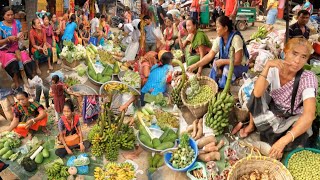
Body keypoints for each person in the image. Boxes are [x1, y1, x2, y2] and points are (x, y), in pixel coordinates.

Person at [239, 38, 318, 159]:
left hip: (291, 116)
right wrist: (267, 67)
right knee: (254, 94)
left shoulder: (307, 78)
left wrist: (284, 141)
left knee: (304, 127)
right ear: (285, 52)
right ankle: (251, 126)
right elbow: (258, 93)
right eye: (294, 53)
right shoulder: (274, 68)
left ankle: (279, 140)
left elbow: (309, 115)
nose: (297, 61)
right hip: (275, 109)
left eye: (303, 57)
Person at [188, 16, 249, 88]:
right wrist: (195, 65)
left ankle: (222, 87)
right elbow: (209, 56)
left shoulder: (236, 39)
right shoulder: (219, 39)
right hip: (228, 62)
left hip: (240, 66)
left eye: (218, 27)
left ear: (225, 28)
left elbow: (238, 61)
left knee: (226, 69)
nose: (216, 29)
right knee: (215, 62)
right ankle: (213, 84)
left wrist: (222, 61)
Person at [0, 6, 35, 88]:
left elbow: (20, 33)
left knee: (26, 59)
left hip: (17, 48)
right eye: (8, 15)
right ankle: (16, 83)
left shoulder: (17, 23)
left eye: (12, 15)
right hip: (5, 50)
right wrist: (8, 39)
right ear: (3, 16)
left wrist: (21, 36)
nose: (10, 17)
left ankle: (29, 79)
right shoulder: (0, 26)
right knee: (13, 62)